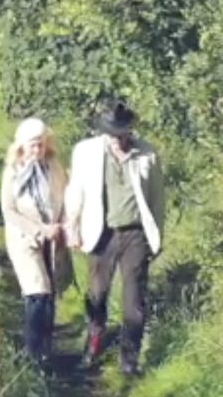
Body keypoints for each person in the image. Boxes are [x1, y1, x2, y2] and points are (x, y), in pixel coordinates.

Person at [63, 102, 168, 375]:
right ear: (104, 133)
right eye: (113, 134)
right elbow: (76, 191)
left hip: (135, 233)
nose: (118, 140)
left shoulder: (147, 154)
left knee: (134, 300)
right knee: (97, 294)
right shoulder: (85, 152)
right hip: (101, 233)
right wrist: (71, 226)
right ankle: (93, 346)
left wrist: (156, 236)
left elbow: (158, 198)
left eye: (122, 134)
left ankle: (129, 361)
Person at [0, 117, 71, 365]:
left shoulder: (53, 167)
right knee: (37, 292)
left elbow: (65, 196)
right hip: (24, 240)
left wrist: (62, 226)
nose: (37, 150)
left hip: (53, 238)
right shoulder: (12, 172)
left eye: (41, 144)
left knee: (50, 294)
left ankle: (46, 350)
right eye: (32, 145)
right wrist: (39, 229)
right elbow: (9, 211)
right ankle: (32, 354)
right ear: (21, 146)